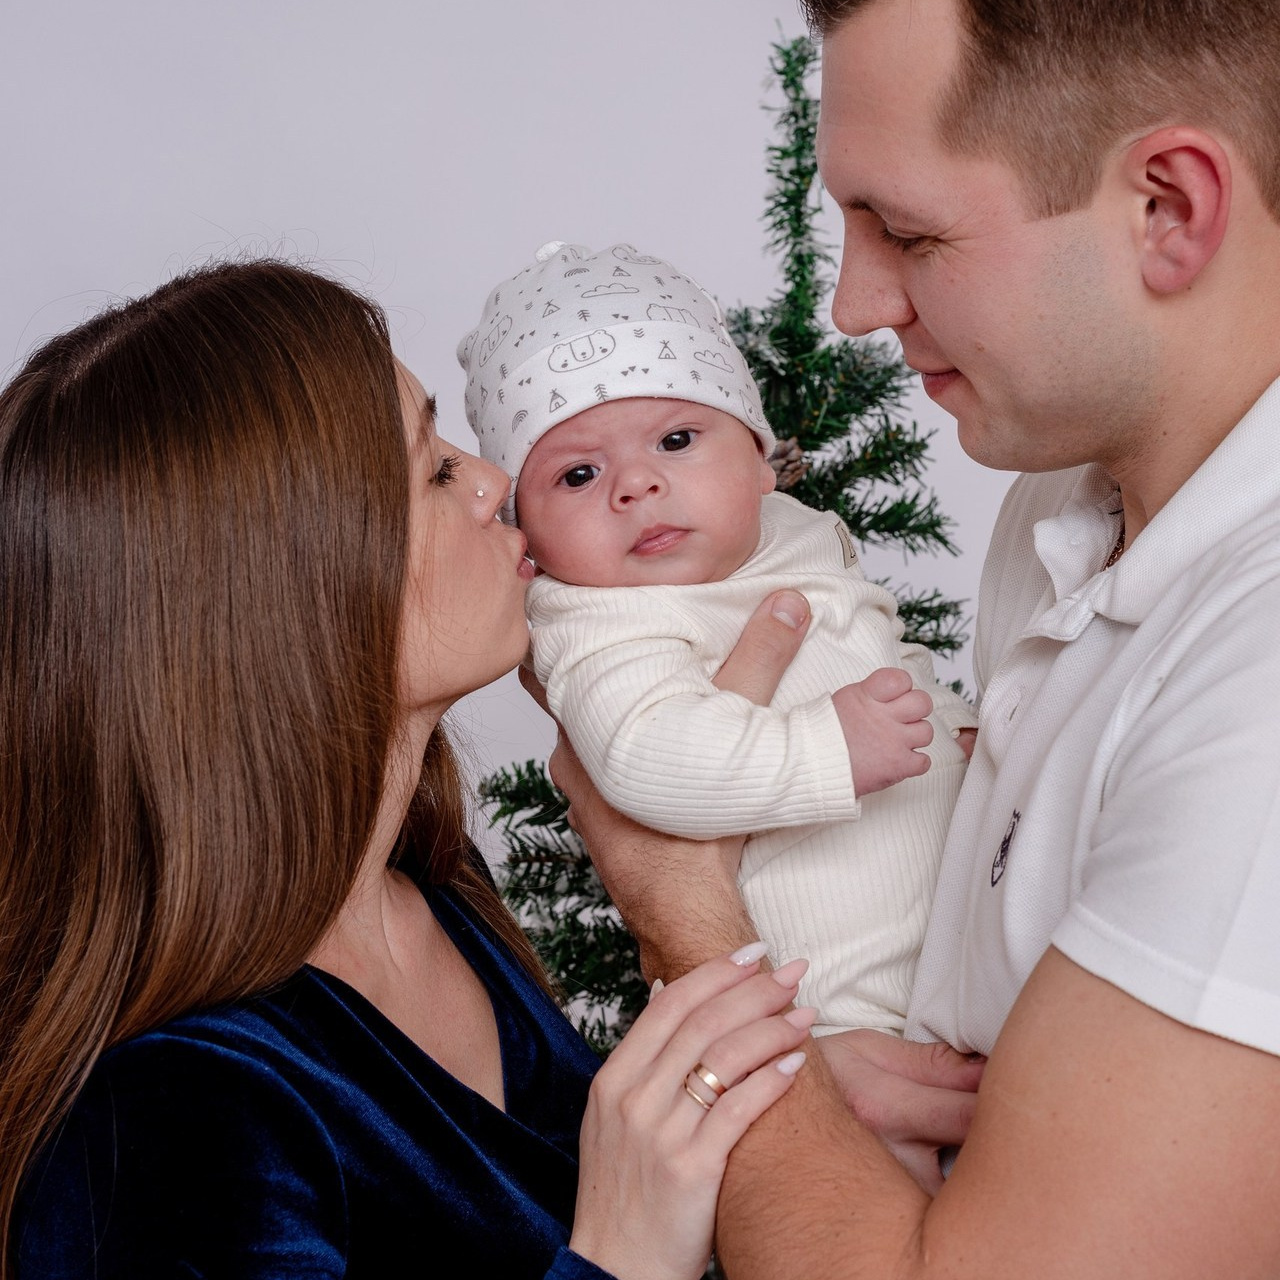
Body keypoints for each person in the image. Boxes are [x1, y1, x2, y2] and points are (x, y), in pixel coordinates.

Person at [548, 0, 1280, 1274]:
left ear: (1166, 207)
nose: (848, 301)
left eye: (908, 229)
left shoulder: (1257, 688)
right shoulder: (1056, 512)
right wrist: (831, 1083)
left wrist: (681, 909)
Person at [0, 259, 815, 1280]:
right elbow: (602, 1226)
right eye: (432, 467)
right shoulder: (161, 1121)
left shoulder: (428, 890)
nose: (491, 480)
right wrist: (619, 1253)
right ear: (282, 588)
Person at [458, 239, 975, 1038]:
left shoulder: (794, 534)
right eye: (578, 475)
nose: (637, 485)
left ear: (762, 459)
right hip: (832, 1003)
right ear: (530, 534)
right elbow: (646, 752)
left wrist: (954, 723)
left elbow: (876, 637)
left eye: (675, 441)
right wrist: (823, 752)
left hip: (966, 933)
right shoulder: (596, 618)